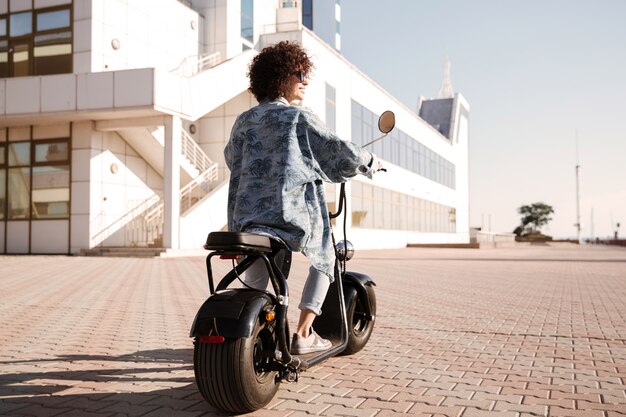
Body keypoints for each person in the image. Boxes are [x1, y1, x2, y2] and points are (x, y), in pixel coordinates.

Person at [224, 41, 382, 355]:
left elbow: (232, 158)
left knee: (256, 275)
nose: (305, 80)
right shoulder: (297, 117)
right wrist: (370, 162)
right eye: (300, 73)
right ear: (281, 77)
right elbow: (338, 150)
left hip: (246, 219)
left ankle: (242, 335)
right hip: (288, 217)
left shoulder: (244, 120)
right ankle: (303, 333)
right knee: (325, 254)